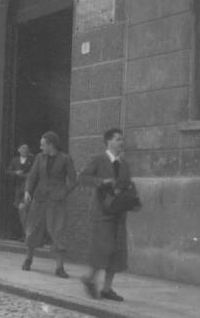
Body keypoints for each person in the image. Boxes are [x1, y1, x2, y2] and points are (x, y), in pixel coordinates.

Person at [78, 128, 138, 301]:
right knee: (104, 248)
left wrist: (132, 198)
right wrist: (101, 182)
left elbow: (128, 184)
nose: (121, 142)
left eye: (122, 140)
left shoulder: (124, 164)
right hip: (102, 212)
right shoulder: (98, 160)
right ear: (108, 142)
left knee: (117, 251)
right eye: (118, 139)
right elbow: (82, 178)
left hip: (118, 212)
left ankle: (107, 288)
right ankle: (89, 278)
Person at [22, 131, 76, 278]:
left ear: (51, 145)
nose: (40, 147)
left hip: (57, 201)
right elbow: (32, 176)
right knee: (32, 228)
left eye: (43, 144)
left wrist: (63, 192)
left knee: (58, 231)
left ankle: (59, 268)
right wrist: (27, 191)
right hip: (40, 199)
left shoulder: (66, 159)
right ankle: (28, 259)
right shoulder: (40, 158)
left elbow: (73, 180)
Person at [7, 143, 35, 241]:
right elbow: (8, 171)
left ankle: (29, 235)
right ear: (18, 150)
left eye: (27, 148)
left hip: (29, 188)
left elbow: (35, 171)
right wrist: (15, 173)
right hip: (18, 188)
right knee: (21, 211)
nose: (25, 150)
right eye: (23, 148)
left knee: (25, 211)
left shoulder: (32, 159)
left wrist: (27, 175)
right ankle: (26, 234)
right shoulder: (15, 160)